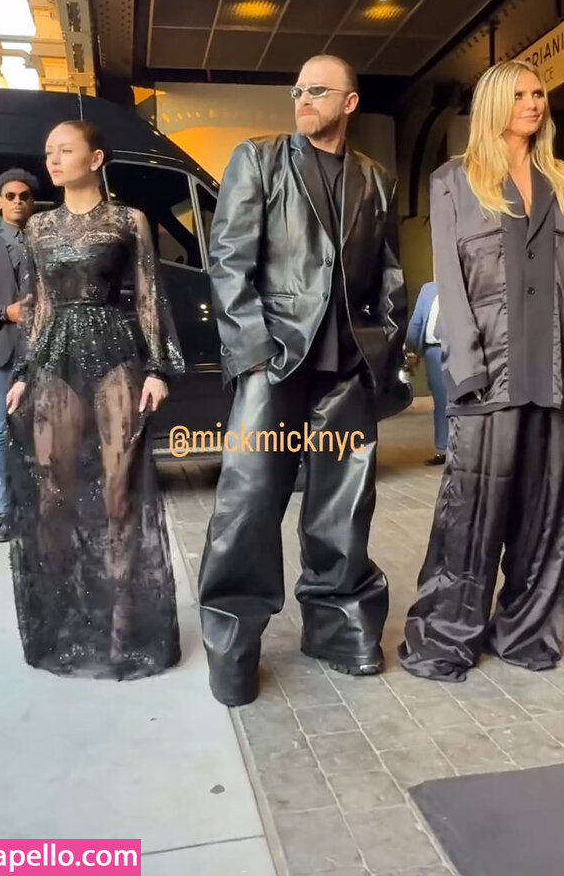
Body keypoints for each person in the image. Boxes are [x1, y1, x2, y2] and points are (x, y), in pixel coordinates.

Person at [198, 54, 407, 706]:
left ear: (349, 102)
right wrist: (254, 354)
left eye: (317, 90)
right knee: (246, 508)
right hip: (274, 363)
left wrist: (380, 348)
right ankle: (233, 648)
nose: (303, 99)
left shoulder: (376, 179)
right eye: (297, 90)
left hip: (347, 370)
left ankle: (339, 630)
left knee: (343, 511)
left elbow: (391, 274)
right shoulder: (258, 160)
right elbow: (228, 262)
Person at [398, 59, 564, 683]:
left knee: (545, 513)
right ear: (494, 104)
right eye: (520, 94)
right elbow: (450, 283)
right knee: (471, 513)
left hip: (558, 374)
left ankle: (526, 631)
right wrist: (467, 365)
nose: (534, 104)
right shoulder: (454, 182)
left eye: (539, 94)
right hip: (488, 374)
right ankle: (447, 634)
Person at [5, 120, 186, 680]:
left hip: (116, 358)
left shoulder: (128, 221)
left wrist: (157, 367)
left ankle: (123, 628)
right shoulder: (38, 227)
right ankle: (66, 621)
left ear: (96, 158)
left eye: (66, 150)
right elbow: (36, 305)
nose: (53, 160)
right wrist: (22, 372)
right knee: (53, 495)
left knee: (118, 495)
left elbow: (149, 295)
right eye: (49, 152)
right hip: (53, 361)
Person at [0, 169, 38, 542]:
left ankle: (40, 510)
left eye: (25, 196)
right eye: (11, 196)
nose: (18, 201)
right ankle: (6, 514)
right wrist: (6, 312)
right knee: (2, 430)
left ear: (33, 203)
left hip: (42, 349)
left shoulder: (43, 242)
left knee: (42, 430)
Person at [405, 281, 448, 465]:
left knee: (461, 400)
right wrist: (411, 349)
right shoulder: (428, 289)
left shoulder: (462, 284)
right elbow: (416, 321)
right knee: (441, 402)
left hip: (457, 350)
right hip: (433, 352)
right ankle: (443, 449)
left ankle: (464, 450)